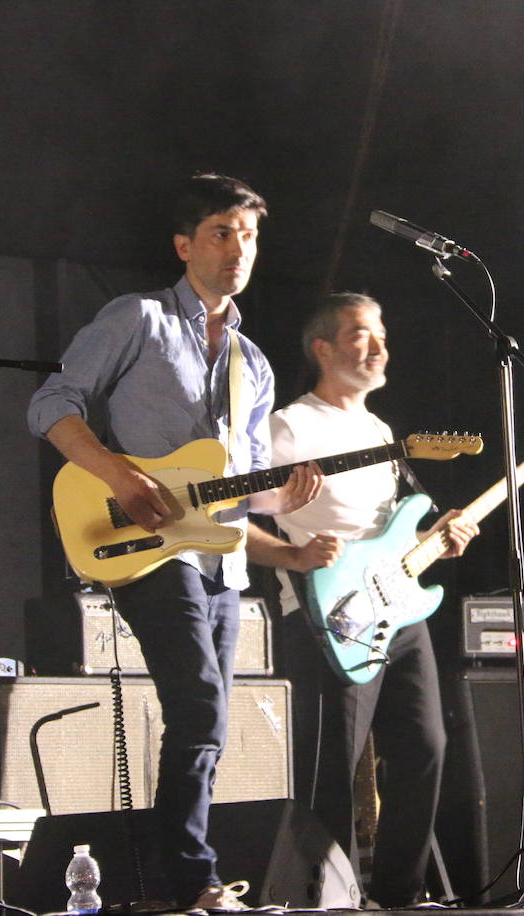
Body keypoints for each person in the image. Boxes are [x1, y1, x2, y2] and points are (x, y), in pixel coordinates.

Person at [28, 173, 322, 910]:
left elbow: (235, 486)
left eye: (248, 236)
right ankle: (195, 881)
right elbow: (50, 404)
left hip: (219, 559)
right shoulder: (139, 320)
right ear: (185, 244)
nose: (238, 249)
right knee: (199, 707)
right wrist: (119, 475)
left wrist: (282, 506)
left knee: (206, 724)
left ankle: (186, 883)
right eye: (223, 233)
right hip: (143, 544)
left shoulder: (253, 364)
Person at [247, 292, 479, 907]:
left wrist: (437, 541)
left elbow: (386, 534)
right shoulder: (290, 426)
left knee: (426, 749)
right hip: (330, 616)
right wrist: (292, 547)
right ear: (322, 348)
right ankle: (333, 896)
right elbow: (238, 512)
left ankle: (399, 896)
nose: (377, 346)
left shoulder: (379, 430)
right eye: (359, 334)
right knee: (336, 767)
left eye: (380, 333)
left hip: (397, 612)